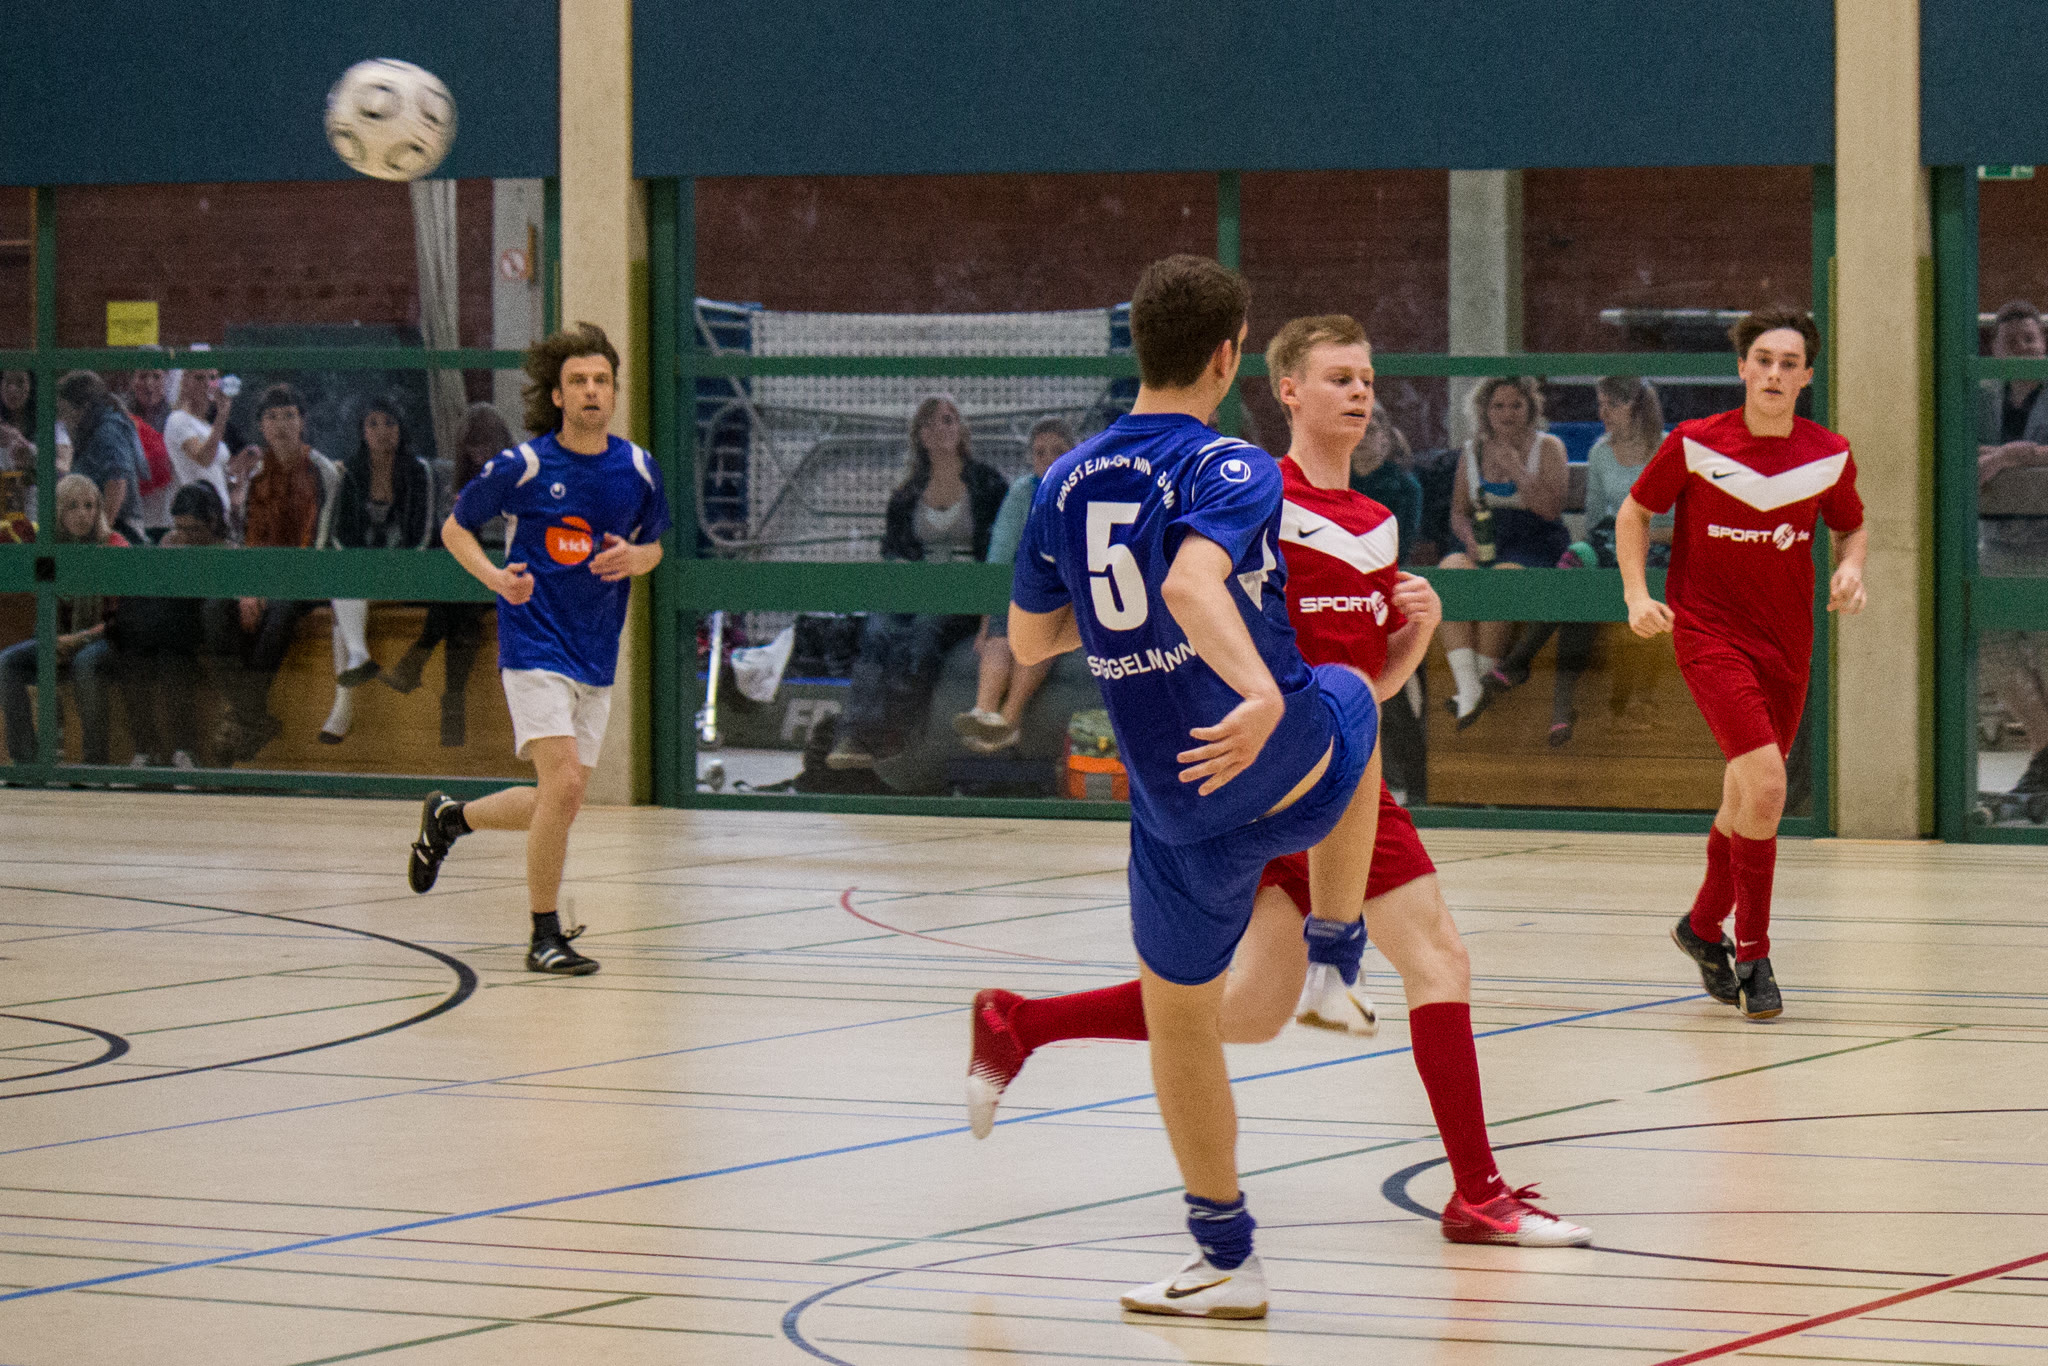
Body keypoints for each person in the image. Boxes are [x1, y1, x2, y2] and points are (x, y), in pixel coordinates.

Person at [968, 313, 1591, 1256]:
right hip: (1263, 769)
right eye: (1340, 376)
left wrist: (1418, 637)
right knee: (1437, 960)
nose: (1361, 392)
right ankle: (1478, 1193)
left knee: (1253, 1013)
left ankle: (1020, 1024)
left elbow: (1367, 684)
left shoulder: (1378, 523)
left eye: (1368, 377)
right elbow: (1183, 609)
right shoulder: (1246, 492)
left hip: (1332, 771)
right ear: (1285, 389)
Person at [1002, 257, 1384, 1320]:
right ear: (1229, 355)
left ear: (1138, 346)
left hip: (1173, 806)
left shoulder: (1061, 481)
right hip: (1275, 760)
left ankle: (1223, 1258)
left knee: (1180, 1023)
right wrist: (1256, 689)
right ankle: (1334, 957)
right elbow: (1186, 579)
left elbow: (1029, 639)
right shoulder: (1233, 464)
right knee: (1353, 691)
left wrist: (1113, 618)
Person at [1620, 307, 1866, 1021]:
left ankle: (1701, 927)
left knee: (1745, 797)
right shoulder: (1695, 443)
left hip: (1786, 646)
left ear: (1807, 376)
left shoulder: (1828, 454)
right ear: (1742, 368)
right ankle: (1754, 954)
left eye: (1789, 363)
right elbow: (1635, 512)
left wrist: (1852, 568)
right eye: (1763, 360)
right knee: (1768, 785)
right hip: (1708, 634)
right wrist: (1636, 594)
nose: (1774, 373)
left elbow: (1851, 524)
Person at [404, 323, 670, 977]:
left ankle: (450, 819)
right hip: (533, 644)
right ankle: (543, 935)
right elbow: (456, 528)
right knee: (567, 783)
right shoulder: (523, 466)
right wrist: (496, 578)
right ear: (557, 395)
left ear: (614, 392)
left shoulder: (639, 469)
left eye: (601, 380)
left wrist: (637, 557)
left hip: (595, 652)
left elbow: (655, 546)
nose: (591, 390)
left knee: (562, 797)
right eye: (578, 381)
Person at [1485, 375, 1671, 745]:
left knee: (1600, 590)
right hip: (1610, 540)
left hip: (1661, 543)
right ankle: (1522, 665)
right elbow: (1594, 517)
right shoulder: (1601, 451)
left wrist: (1637, 538)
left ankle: (1551, 698)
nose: (1603, 413)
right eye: (1600, 404)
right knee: (1574, 567)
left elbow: (1687, 519)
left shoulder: (1668, 449)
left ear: (1637, 407)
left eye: (1612, 405)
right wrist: (1605, 546)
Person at [826, 394, 1009, 770]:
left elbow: (1000, 550)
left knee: (926, 630)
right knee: (877, 628)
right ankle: (855, 734)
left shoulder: (988, 484)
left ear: (960, 429)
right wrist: (899, 574)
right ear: (920, 435)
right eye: (930, 422)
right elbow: (892, 550)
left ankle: (896, 734)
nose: (940, 428)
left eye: (948, 419)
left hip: (965, 589)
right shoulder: (906, 493)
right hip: (916, 583)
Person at [206, 384, 332, 762]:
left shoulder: (322, 471)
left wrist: (268, 587)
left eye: (290, 415)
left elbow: (316, 544)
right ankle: (253, 715)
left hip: (307, 579)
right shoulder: (258, 474)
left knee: (280, 610)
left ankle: (245, 714)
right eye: (272, 417)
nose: (281, 424)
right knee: (215, 608)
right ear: (261, 426)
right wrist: (249, 588)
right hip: (261, 579)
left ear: (302, 422)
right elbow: (250, 538)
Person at [1434, 377, 1570, 726]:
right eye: (1498, 406)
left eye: (1516, 405)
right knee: (1451, 571)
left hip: (1533, 541)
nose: (1507, 414)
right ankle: (1469, 686)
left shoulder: (1548, 447)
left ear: (1530, 409)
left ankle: (1479, 682)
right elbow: (1458, 513)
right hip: (1485, 538)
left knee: (1500, 581)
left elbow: (1551, 509)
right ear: (1485, 410)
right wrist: (1469, 540)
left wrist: (1516, 470)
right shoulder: (1472, 451)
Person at [383, 402, 514, 748]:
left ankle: (420, 656)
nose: (479, 454)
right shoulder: (457, 480)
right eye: (472, 447)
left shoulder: (518, 474)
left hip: (505, 573)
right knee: (460, 612)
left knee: (459, 598)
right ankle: (452, 699)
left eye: (485, 445)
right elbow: (449, 533)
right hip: (468, 575)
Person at [954, 416, 1077, 753]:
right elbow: (999, 557)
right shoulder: (1022, 493)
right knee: (999, 638)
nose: (1048, 460)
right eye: (1040, 453)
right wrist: (985, 623)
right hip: (1021, 591)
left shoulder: (1085, 490)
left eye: (1058, 451)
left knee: (1037, 638)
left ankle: (1009, 719)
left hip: (1066, 597)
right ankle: (983, 712)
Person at [318, 397, 436, 744]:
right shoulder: (350, 472)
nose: (382, 431)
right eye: (373, 424)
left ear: (401, 429)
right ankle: (355, 664)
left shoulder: (418, 471)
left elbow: (424, 534)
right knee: (345, 587)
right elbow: (339, 535)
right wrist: (365, 566)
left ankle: (344, 702)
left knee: (343, 611)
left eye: (390, 423)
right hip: (361, 575)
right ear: (362, 432)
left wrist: (391, 566)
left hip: (408, 572)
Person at [0, 475, 128, 765]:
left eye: (89, 506)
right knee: (7, 663)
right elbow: (43, 600)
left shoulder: (113, 546)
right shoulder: (49, 550)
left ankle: (94, 765)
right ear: (58, 511)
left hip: (104, 638)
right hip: (57, 637)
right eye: (72, 506)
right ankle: (28, 763)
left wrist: (79, 639)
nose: (83, 514)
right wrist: (54, 640)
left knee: (85, 663)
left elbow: (123, 618)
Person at [1975, 300, 2048, 800]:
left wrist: (2014, 455)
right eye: (2011, 341)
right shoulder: (1981, 396)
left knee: (2044, 651)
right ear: (1995, 350)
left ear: (2043, 344)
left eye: (2030, 339)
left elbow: (2001, 457)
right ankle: (2045, 749)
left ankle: (2042, 766)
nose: (2022, 348)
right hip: (1996, 543)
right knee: (1992, 649)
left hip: (2044, 544)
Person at [111, 482, 228, 770]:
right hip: (158, 630)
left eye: (193, 530)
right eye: (180, 528)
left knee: (174, 663)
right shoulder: (168, 543)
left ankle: (183, 751)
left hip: (193, 631)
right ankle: (145, 750)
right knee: (133, 661)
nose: (185, 537)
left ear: (212, 522)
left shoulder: (227, 550)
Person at [53, 371, 149, 545]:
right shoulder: (92, 428)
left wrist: (101, 535)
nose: (64, 418)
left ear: (83, 407)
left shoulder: (108, 430)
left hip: (120, 529)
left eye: (65, 411)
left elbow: (117, 481)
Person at [163, 367, 234, 525]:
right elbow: (204, 459)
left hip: (220, 515)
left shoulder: (206, 426)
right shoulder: (178, 420)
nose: (207, 384)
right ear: (185, 383)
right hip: (197, 515)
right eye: (199, 378)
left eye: (212, 378)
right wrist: (222, 415)